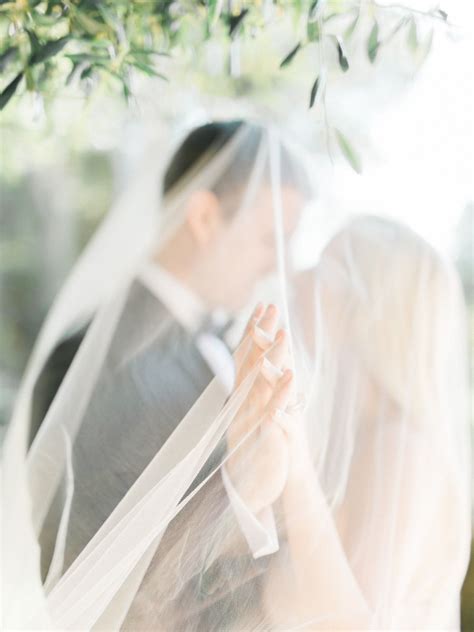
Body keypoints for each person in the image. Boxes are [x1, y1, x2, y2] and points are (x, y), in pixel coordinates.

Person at [24, 119, 310, 624]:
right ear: (203, 216)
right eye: (270, 239)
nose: (276, 266)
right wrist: (245, 497)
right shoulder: (102, 365)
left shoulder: (216, 347)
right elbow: (113, 588)